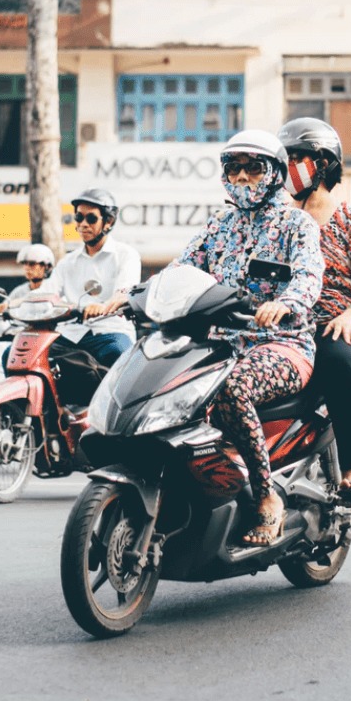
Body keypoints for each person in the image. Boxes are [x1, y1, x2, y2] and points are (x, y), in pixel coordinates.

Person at [111, 130, 321, 547]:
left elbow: (309, 275)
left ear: (276, 174)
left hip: (281, 344)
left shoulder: (297, 224)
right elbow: (181, 268)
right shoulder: (219, 224)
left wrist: (287, 302)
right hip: (219, 345)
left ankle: (265, 498)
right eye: (234, 168)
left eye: (253, 168)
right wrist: (133, 295)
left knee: (234, 390)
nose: (242, 177)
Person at [279, 117, 351, 499]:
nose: (287, 169)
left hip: (337, 326)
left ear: (323, 164)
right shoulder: (276, 223)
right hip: (284, 330)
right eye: (284, 160)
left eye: (296, 158)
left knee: (337, 360)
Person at [47, 188, 141, 369]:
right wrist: (14, 304)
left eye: (91, 218)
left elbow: (124, 291)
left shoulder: (126, 255)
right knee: (22, 354)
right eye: (79, 217)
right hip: (72, 333)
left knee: (121, 358)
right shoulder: (68, 261)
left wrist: (103, 306)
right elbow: (47, 293)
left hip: (111, 331)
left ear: (109, 222)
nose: (83, 224)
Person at [0, 244, 56, 314]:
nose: (27, 268)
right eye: (25, 264)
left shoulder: (54, 289)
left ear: (46, 266)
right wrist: (1, 308)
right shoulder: (19, 292)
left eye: (32, 264)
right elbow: (5, 305)